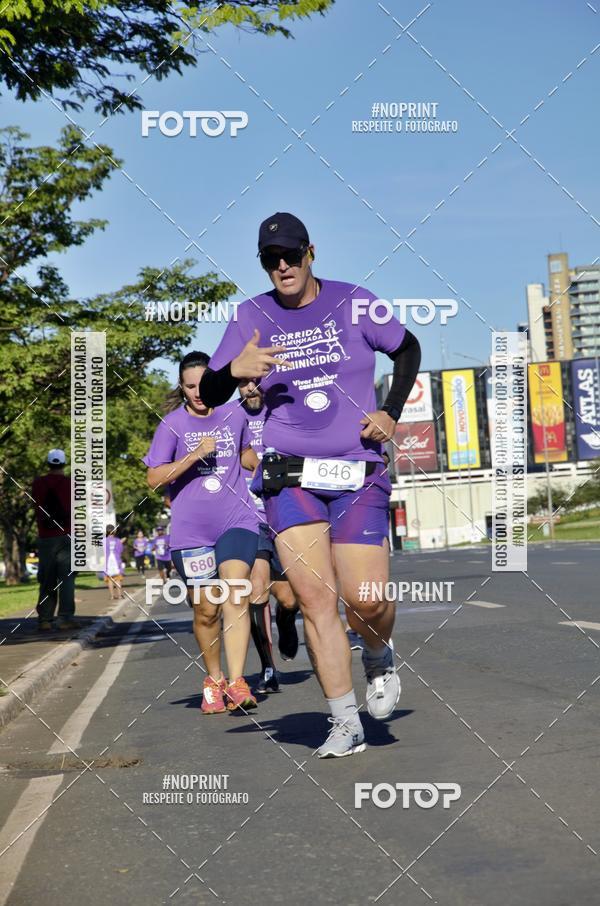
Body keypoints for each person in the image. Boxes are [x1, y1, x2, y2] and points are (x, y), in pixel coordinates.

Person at [199, 212, 420, 757]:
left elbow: (408, 348)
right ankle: (344, 721)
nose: (281, 266)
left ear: (310, 253)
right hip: (288, 474)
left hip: (357, 470)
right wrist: (234, 371)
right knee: (317, 599)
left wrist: (390, 411)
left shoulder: (354, 302)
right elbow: (208, 388)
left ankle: (377, 653)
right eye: (270, 259)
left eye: (291, 255)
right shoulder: (250, 316)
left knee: (364, 602)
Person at [144, 351, 260, 714]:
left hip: (236, 519)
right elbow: (153, 479)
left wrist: (258, 462)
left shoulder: (234, 414)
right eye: (190, 385)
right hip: (192, 532)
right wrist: (193, 456)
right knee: (206, 610)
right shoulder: (172, 425)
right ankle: (215, 679)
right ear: (181, 387)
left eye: (203, 384)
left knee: (236, 591)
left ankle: (239, 682)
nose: (198, 392)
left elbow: (246, 453)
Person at [239, 379, 300, 695]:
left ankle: (287, 619)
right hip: (250, 518)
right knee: (256, 588)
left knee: (290, 598)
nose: (249, 388)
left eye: (254, 382)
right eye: (242, 383)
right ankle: (267, 667)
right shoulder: (230, 419)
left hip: (286, 512)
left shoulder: (284, 411)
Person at [31, 449, 77, 631]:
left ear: (48, 464)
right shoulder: (72, 484)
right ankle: (65, 618)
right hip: (67, 536)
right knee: (67, 579)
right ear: (64, 464)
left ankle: (45, 619)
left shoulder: (38, 483)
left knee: (46, 579)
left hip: (46, 538)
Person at [103, 525, 124, 600]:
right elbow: (121, 550)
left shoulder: (103, 541)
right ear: (114, 531)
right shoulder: (118, 540)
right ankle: (119, 595)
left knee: (109, 579)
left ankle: (112, 596)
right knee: (118, 579)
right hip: (116, 561)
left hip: (107, 562)